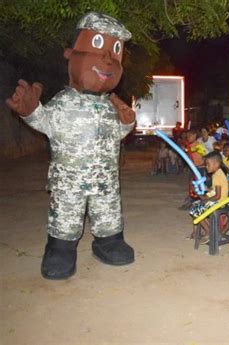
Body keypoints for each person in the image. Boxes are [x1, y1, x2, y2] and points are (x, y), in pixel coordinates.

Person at [6, 12, 135, 279]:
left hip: (106, 181)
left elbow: (117, 135)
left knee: (108, 211)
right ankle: (61, 249)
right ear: (72, 55)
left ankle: (108, 241)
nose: (109, 59)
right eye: (99, 46)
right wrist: (30, 110)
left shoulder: (111, 104)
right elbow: (45, 122)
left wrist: (125, 123)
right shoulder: (65, 102)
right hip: (69, 181)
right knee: (66, 214)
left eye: (116, 51)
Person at [188, 152, 229, 243]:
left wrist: (205, 200)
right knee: (196, 206)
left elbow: (217, 196)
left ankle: (209, 232)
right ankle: (211, 230)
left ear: (216, 164)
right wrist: (207, 189)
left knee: (195, 210)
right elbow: (215, 191)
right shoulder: (218, 173)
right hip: (219, 201)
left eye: (208, 164)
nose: (206, 167)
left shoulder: (218, 176)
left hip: (219, 203)